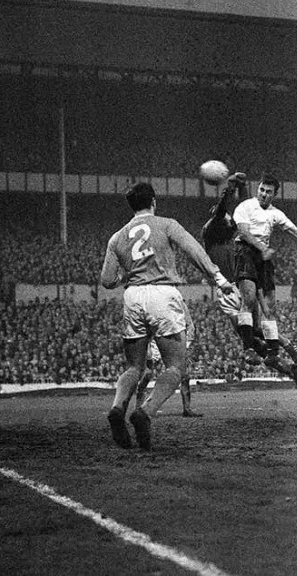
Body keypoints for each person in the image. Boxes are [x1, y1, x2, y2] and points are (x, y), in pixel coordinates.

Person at [100, 182, 232, 450]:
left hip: (133, 295)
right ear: (154, 201)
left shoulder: (117, 237)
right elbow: (193, 249)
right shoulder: (167, 224)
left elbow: (106, 280)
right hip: (162, 294)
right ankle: (145, 412)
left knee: (134, 367)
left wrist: (127, 275)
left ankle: (117, 408)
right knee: (175, 366)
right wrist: (217, 277)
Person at [202, 172, 297, 387]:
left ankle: (281, 352)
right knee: (252, 332)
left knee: (254, 331)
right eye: (227, 218)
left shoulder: (234, 236)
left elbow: (246, 207)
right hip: (229, 287)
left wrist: (242, 186)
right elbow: (223, 210)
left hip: (244, 281)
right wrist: (229, 189)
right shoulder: (210, 231)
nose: (232, 220)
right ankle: (286, 357)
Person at [232, 173, 297, 364]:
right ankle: (248, 349)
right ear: (258, 188)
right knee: (248, 298)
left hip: (263, 257)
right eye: (262, 190)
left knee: (270, 307)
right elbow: (244, 232)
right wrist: (262, 247)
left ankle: (273, 353)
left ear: (274, 194)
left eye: (268, 192)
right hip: (246, 252)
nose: (264, 194)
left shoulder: (276, 214)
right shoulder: (246, 206)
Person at [135, 299, 202, 417]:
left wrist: (187, 345)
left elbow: (190, 324)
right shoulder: (153, 303)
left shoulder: (180, 304)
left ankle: (187, 409)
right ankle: (138, 407)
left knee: (184, 375)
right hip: (155, 342)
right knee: (147, 373)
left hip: (174, 342)